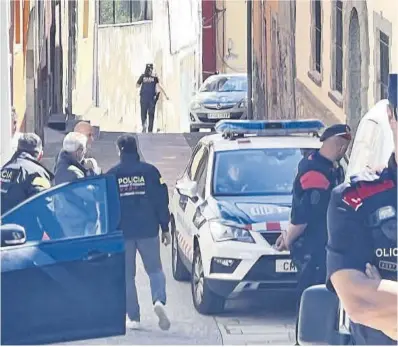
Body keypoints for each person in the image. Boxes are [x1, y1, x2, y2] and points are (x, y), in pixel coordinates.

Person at [326, 73, 398, 345]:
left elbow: (374, 300)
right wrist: (372, 298)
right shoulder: (354, 199)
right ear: (391, 115)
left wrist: (387, 301)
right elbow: (359, 301)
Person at [275, 124, 351, 345]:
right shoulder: (315, 173)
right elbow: (304, 215)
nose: (345, 151)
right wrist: (288, 239)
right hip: (313, 250)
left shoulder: (328, 167)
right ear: (338, 146)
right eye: (345, 146)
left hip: (322, 246)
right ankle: (304, 340)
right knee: (311, 298)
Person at [107, 134, 171, 331]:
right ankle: (158, 300)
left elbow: (107, 205)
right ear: (136, 149)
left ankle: (133, 317)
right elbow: (161, 200)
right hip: (148, 229)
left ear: (119, 151)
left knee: (126, 276)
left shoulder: (112, 175)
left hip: (122, 233)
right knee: (155, 270)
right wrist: (165, 227)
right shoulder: (150, 172)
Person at [54, 132, 99, 237]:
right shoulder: (72, 173)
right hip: (76, 223)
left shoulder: (61, 163)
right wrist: (93, 171)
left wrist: (82, 166)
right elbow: (93, 194)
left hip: (68, 218)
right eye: (84, 150)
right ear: (79, 152)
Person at [1, 133, 52, 215]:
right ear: (40, 155)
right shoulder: (37, 173)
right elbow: (45, 207)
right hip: (23, 226)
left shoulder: (4, 169)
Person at [136, 63, 169, 133]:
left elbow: (137, 85)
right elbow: (159, 86)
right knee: (150, 114)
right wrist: (165, 95)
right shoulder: (154, 77)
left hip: (144, 98)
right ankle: (149, 130)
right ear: (151, 69)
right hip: (151, 98)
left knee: (143, 113)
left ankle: (145, 126)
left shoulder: (143, 76)